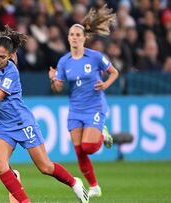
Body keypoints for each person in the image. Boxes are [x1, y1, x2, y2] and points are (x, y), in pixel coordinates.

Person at [0, 27, 89, 203]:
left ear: (10, 57)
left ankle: (74, 182)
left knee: (45, 167)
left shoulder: (11, 71)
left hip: (23, 123)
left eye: (3, 57)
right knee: (0, 164)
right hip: (2, 128)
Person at [48, 5, 119, 199]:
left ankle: (102, 135)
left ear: (84, 37)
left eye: (78, 34)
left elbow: (114, 72)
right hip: (75, 109)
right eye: (71, 34)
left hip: (95, 106)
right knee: (79, 151)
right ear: (68, 38)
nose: (74, 37)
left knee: (88, 147)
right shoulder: (64, 61)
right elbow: (58, 89)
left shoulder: (95, 57)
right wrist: (54, 79)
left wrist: (105, 84)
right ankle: (94, 186)